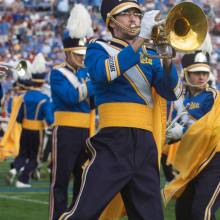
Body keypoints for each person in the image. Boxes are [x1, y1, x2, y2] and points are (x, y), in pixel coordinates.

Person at [59, 0, 182, 219]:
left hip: (145, 143)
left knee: (151, 215)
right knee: (83, 213)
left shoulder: (148, 53)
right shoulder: (98, 48)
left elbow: (171, 92)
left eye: (137, 13)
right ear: (112, 22)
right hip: (113, 139)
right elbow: (103, 73)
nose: (134, 18)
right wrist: (142, 38)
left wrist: (167, 61)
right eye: (126, 14)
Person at [49, 4, 94, 220]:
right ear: (68, 52)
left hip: (87, 130)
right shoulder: (57, 73)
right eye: (77, 54)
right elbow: (71, 96)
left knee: (83, 179)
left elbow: (93, 101)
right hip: (66, 131)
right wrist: (95, 83)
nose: (81, 58)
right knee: (60, 179)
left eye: (83, 54)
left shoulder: (87, 72)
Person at [162, 50, 220, 220]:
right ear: (186, 74)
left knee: (202, 212)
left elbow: (210, 128)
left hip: (215, 159)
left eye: (204, 73)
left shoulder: (214, 96)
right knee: (183, 210)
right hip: (194, 159)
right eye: (196, 73)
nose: (201, 77)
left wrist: (184, 132)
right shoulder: (184, 99)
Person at [14, 53, 54, 188]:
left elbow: (19, 118)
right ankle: (23, 179)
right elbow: (49, 119)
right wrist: (52, 125)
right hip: (37, 131)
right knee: (35, 158)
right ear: (42, 82)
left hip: (25, 129)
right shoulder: (44, 98)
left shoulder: (25, 97)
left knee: (22, 154)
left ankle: (14, 170)